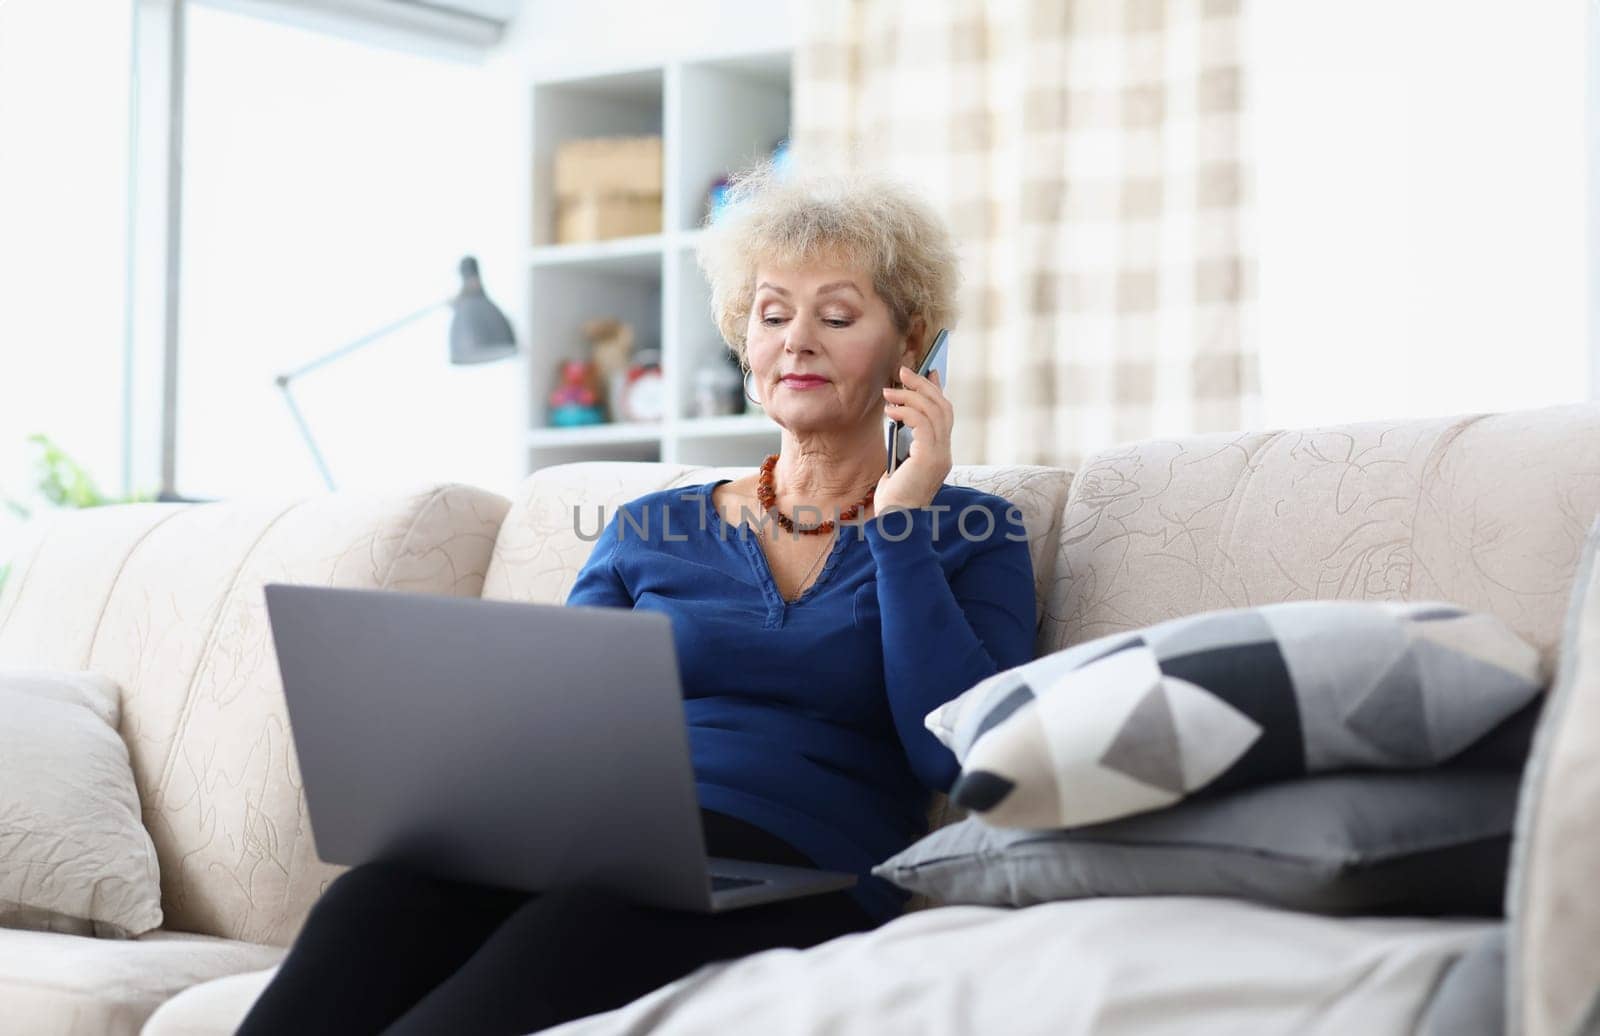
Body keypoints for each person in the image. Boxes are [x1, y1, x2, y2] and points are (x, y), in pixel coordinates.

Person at [235, 160, 1037, 1035]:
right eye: (772, 314)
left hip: (802, 866)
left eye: (837, 316)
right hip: (605, 844)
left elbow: (957, 759)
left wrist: (899, 526)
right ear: (744, 339)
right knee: (376, 902)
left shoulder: (971, 534)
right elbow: (559, 724)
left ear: (910, 344)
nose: (797, 340)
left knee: (553, 944)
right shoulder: (649, 527)